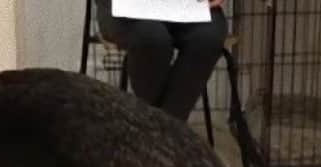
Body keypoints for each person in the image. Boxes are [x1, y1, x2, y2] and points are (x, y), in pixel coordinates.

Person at [95, 0, 227, 121]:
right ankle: (168, 129)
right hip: (127, 7)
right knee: (152, 38)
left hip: (190, 4)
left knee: (208, 38)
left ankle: (160, 128)